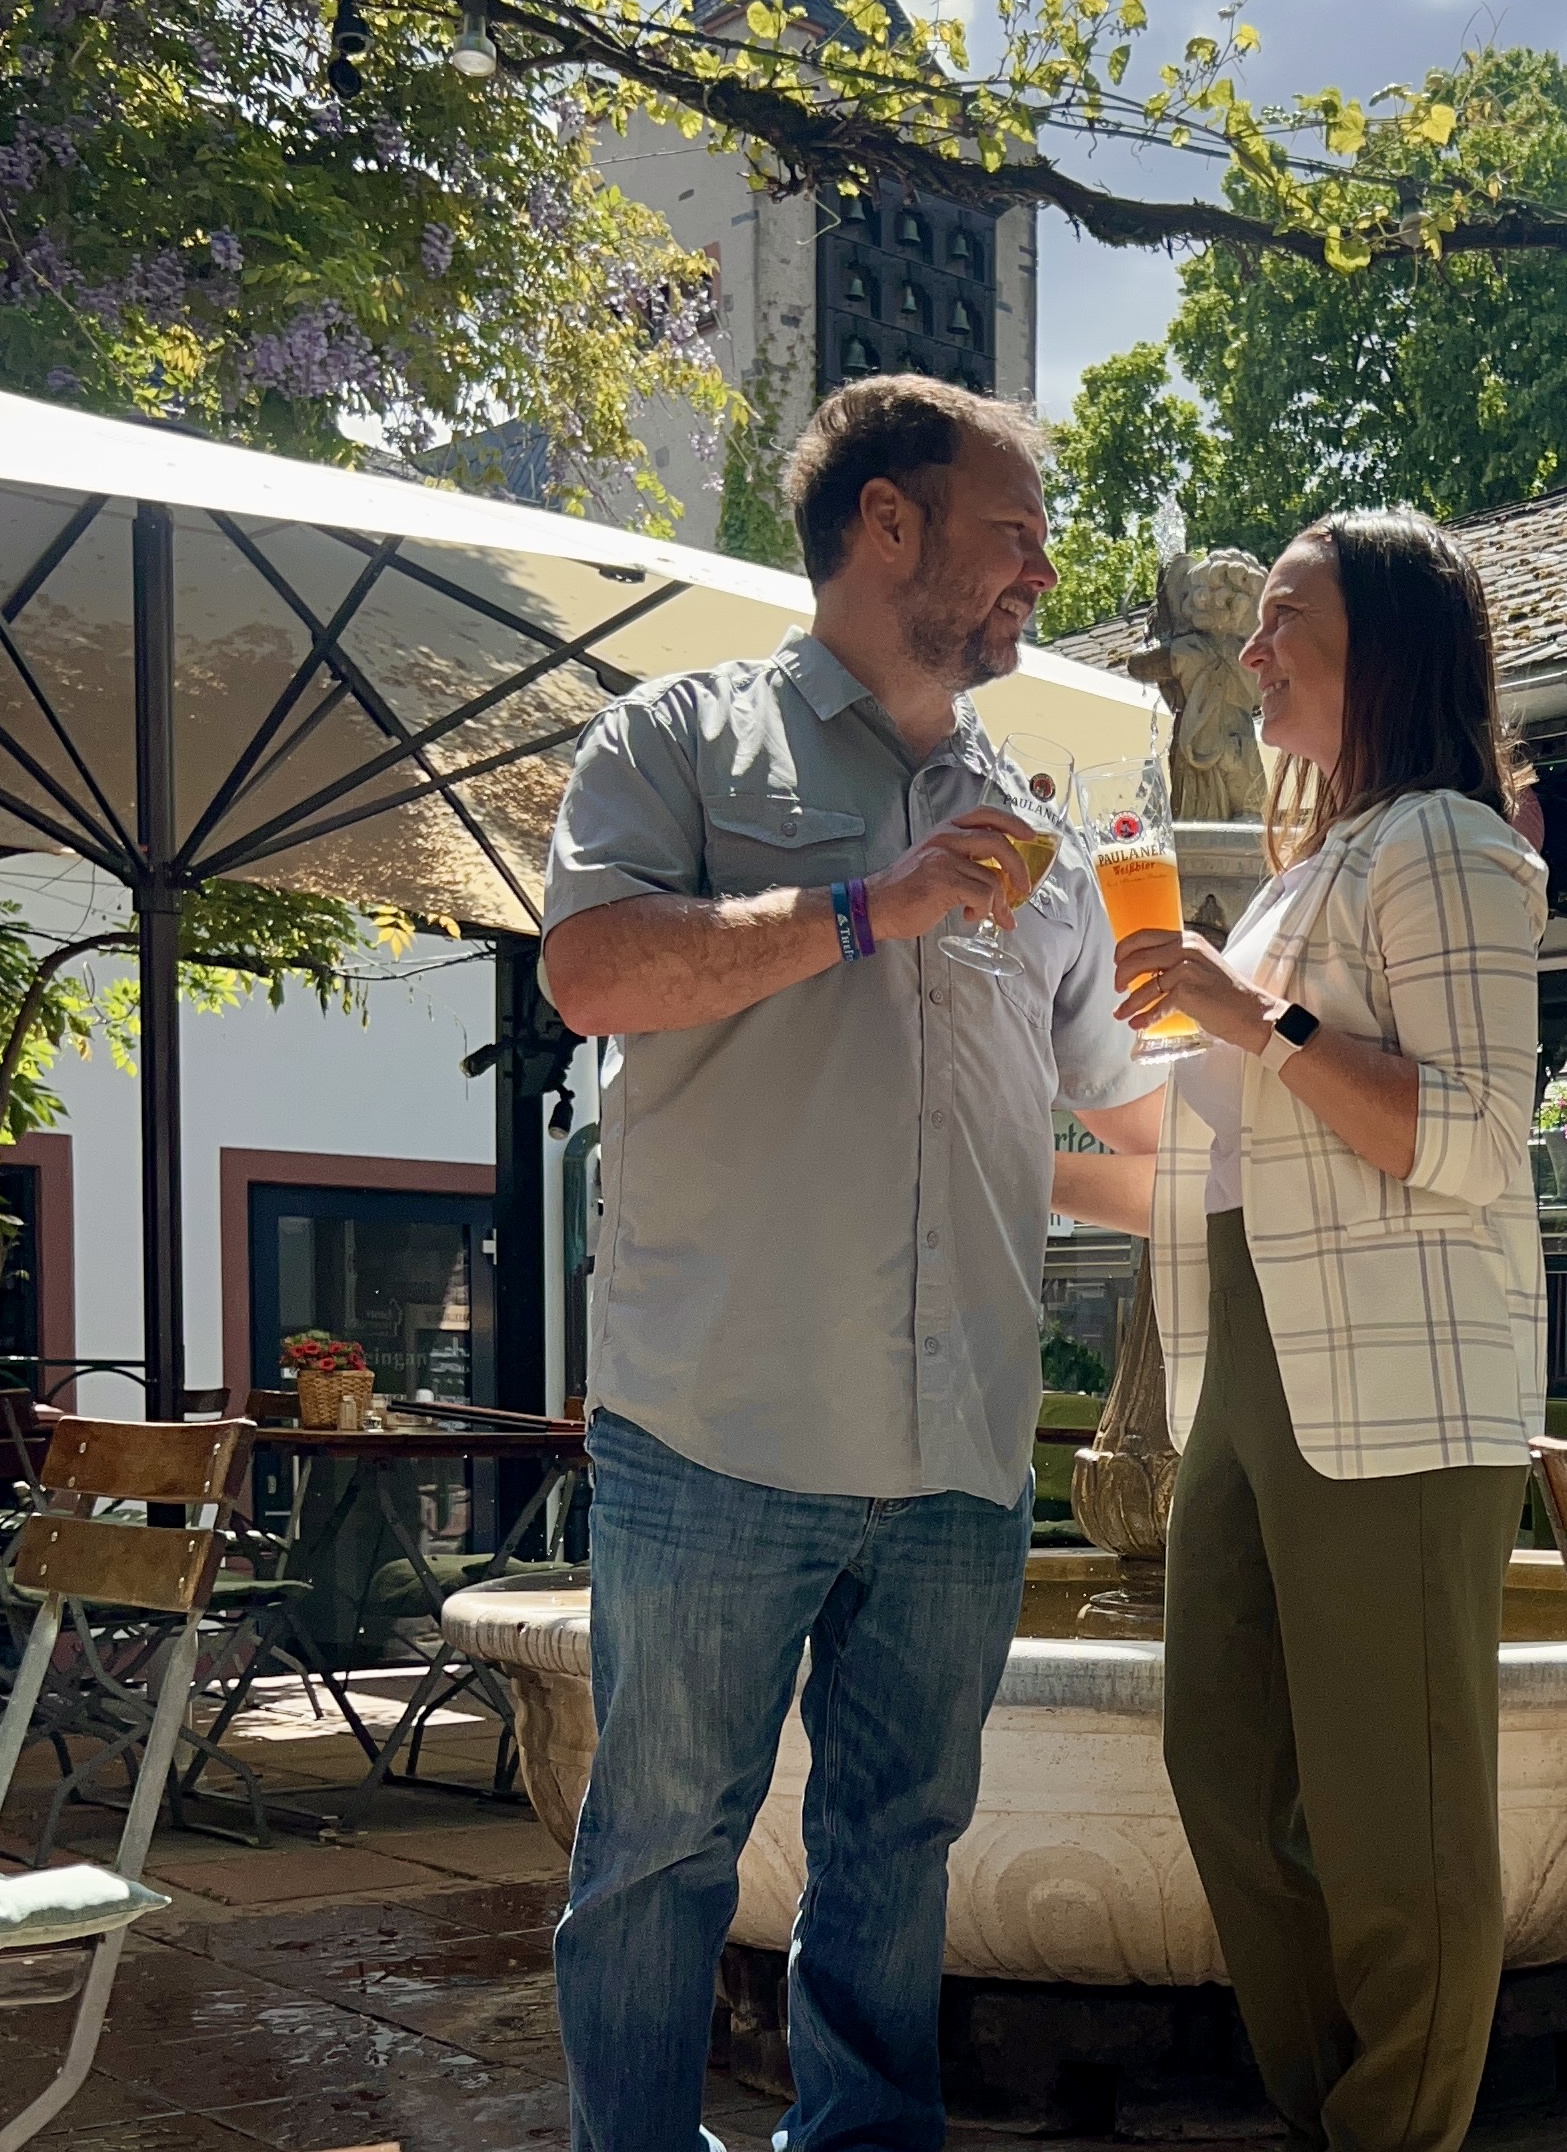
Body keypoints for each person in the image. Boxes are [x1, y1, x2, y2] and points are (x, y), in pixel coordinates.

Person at [539, 375, 1164, 2152]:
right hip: (718, 1423)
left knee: (901, 1851)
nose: (1041, 569)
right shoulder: (674, 741)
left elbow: (1109, 1119)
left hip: (959, 1449)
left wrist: (1288, 1045)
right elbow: (592, 977)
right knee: (658, 1852)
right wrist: (867, 908)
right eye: (1012, 533)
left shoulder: (1037, 829)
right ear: (887, 524)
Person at [1059, 508, 1548, 2152]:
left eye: (1284, 624)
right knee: (1224, 1769)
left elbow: (1470, 1139)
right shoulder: (1301, 879)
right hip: (1251, 1379)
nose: (1252, 652)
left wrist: (1240, 1011)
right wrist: (1004, 1100)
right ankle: (1332, 2112)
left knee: (1395, 1826)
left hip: (1397, 1401)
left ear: (1387, 653)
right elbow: (1200, 1166)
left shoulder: (1453, 849)